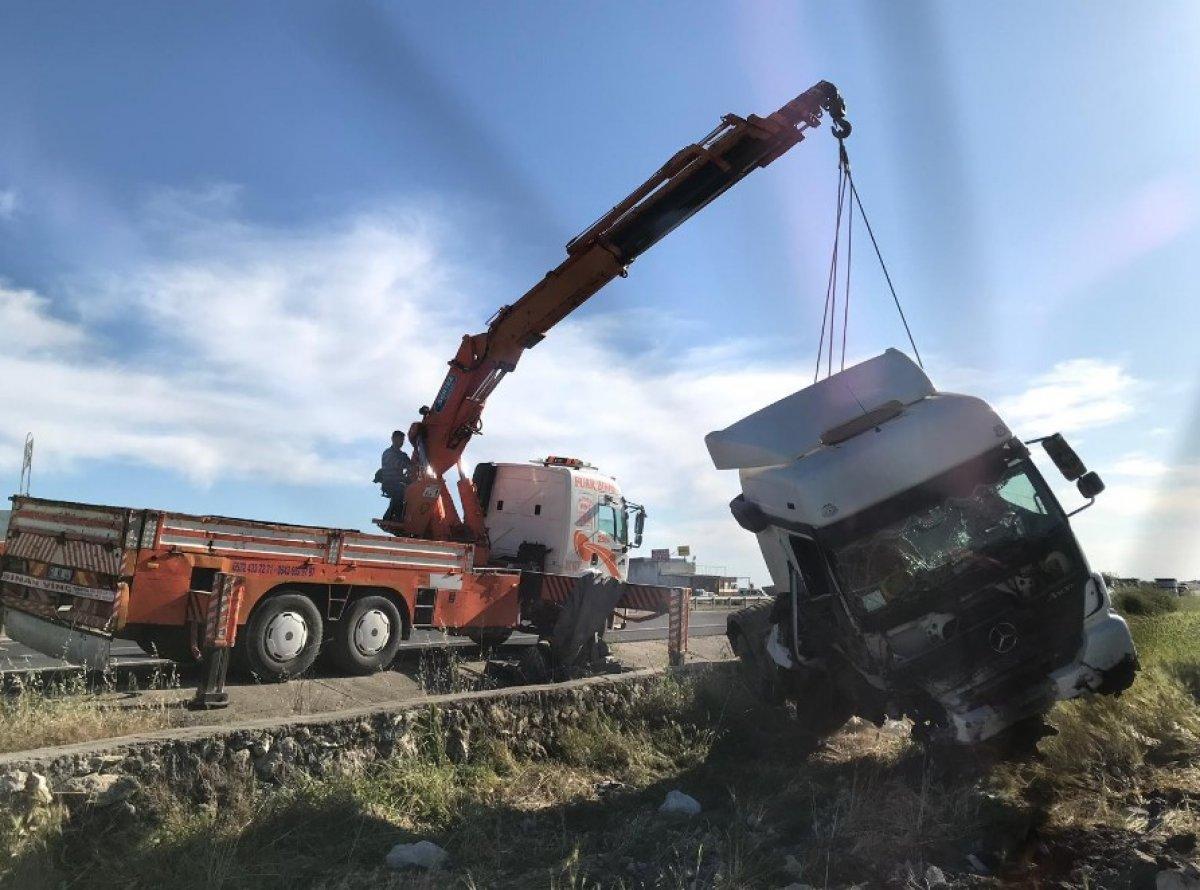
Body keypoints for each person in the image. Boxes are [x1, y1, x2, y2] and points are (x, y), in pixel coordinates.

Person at [376, 430, 413, 522]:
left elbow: (411, 463)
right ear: (393, 439)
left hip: (399, 482)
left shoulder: (402, 454)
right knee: (400, 489)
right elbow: (396, 463)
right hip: (389, 482)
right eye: (399, 439)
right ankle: (395, 516)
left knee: (414, 489)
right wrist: (408, 465)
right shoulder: (388, 453)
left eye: (402, 440)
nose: (401, 442)